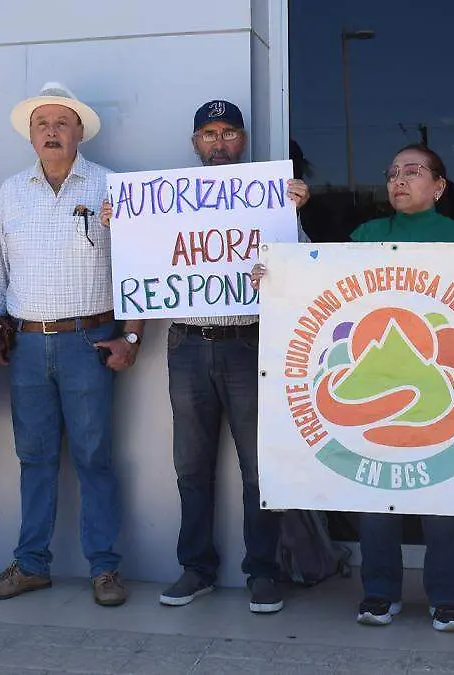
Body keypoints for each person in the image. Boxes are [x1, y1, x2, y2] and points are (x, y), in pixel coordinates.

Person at [255, 144, 454, 632]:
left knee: (445, 499)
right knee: (376, 498)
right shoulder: (367, 235)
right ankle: (380, 593)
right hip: (372, 389)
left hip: (437, 386)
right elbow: (317, 279)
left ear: (439, 186)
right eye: (393, 172)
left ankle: (448, 597)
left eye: (413, 172)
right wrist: (276, 277)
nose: (399, 180)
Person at [100, 100, 310, 613]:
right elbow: (146, 267)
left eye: (229, 133)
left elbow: (307, 266)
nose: (219, 143)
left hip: (250, 345)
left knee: (261, 469)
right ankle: (196, 569)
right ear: (196, 143)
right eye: (210, 134)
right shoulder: (168, 203)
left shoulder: (271, 199)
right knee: (190, 466)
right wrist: (120, 226)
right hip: (188, 344)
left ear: (243, 141)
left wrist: (294, 216)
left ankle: (263, 571)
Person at [0, 82, 140, 607]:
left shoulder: (111, 187)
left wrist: (130, 336)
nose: (52, 131)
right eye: (42, 123)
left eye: (62, 122)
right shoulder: (11, 191)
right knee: (35, 457)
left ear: (79, 133)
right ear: (30, 135)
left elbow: (141, 267)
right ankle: (31, 565)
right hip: (26, 345)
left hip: (89, 341)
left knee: (94, 456)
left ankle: (105, 569)